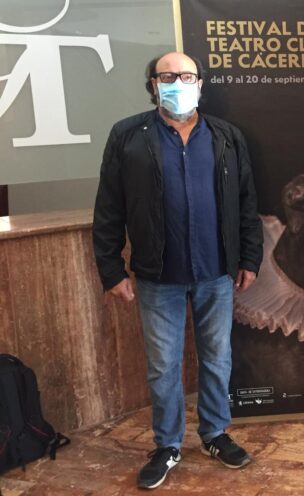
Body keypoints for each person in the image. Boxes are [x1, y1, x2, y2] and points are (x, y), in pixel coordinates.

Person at [92, 51, 263, 490]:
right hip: (156, 275)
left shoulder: (225, 136)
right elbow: (109, 207)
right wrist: (111, 270)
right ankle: (167, 445)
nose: (177, 82)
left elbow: (246, 202)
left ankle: (215, 433)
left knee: (217, 358)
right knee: (163, 365)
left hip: (216, 272)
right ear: (152, 84)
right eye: (167, 75)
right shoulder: (127, 135)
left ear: (201, 84)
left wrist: (250, 258)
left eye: (186, 75)